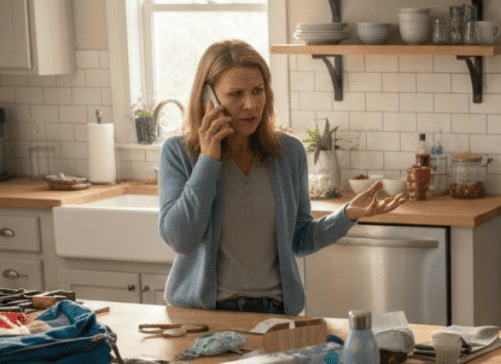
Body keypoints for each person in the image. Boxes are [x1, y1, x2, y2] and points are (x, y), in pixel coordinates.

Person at [158, 39, 405, 315]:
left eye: (257, 90)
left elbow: (299, 239)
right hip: (203, 315)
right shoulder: (178, 153)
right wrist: (208, 160)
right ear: (208, 99)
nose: (250, 104)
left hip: (273, 313)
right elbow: (180, 239)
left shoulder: (288, 153)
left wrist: (346, 215)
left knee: (333, 360)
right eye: (235, 94)